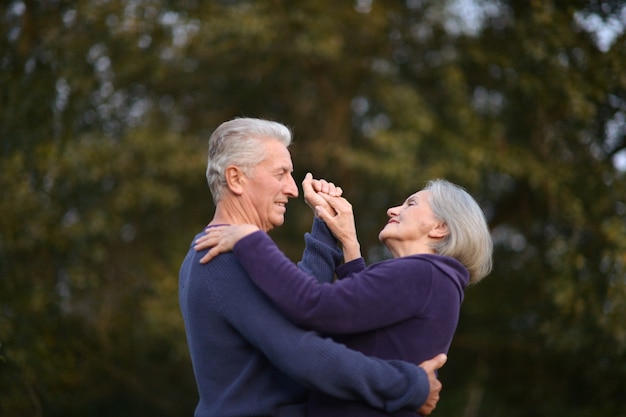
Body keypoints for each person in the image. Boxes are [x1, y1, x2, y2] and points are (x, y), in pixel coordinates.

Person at [178, 117, 447, 417]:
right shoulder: (223, 257)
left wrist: (325, 225)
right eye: (281, 174)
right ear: (236, 178)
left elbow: (300, 309)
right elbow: (303, 353)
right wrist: (410, 384)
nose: (293, 189)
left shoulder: (229, 251)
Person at [195, 177, 493, 416]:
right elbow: (366, 324)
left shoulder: (422, 273)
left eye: (410, 204)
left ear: (440, 228)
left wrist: (252, 240)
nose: (393, 210)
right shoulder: (434, 280)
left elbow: (315, 306)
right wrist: (349, 244)